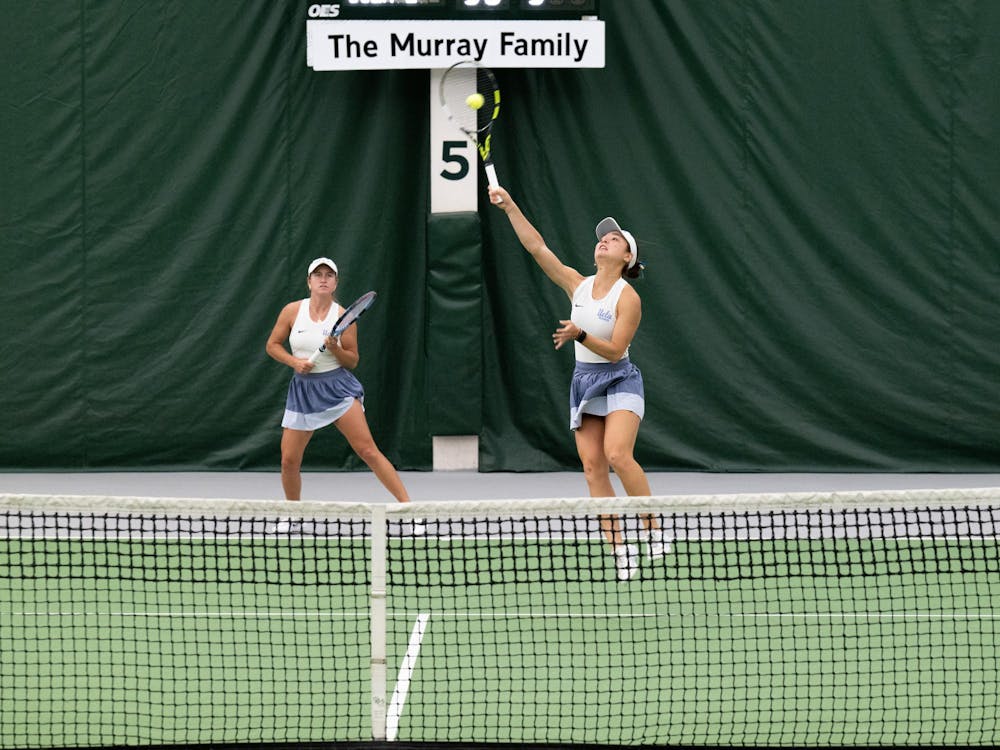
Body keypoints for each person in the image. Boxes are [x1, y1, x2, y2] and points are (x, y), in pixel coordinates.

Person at [489, 187, 668, 581]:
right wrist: (510, 207)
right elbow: (537, 247)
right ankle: (620, 550)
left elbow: (616, 349)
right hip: (584, 380)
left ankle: (655, 530)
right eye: (603, 237)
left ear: (627, 258)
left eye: (615, 239)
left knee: (618, 454)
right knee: (592, 467)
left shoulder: (628, 297)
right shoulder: (577, 284)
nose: (605, 240)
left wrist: (579, 334)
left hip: (619, 377)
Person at [265, 257, 410, 518]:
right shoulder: (291, 311)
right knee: (289, 462)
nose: (323, 279)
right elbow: (272, 345)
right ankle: (293, 517)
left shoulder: (345, 317)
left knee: (367, 450)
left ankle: (410, 510)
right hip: (303, 391)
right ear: (309, 282)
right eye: (318, 274)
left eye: (328, 275)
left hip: (337, 389)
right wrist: (294, 362)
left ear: (335, 283)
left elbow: (352, 360)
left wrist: (335, 349)